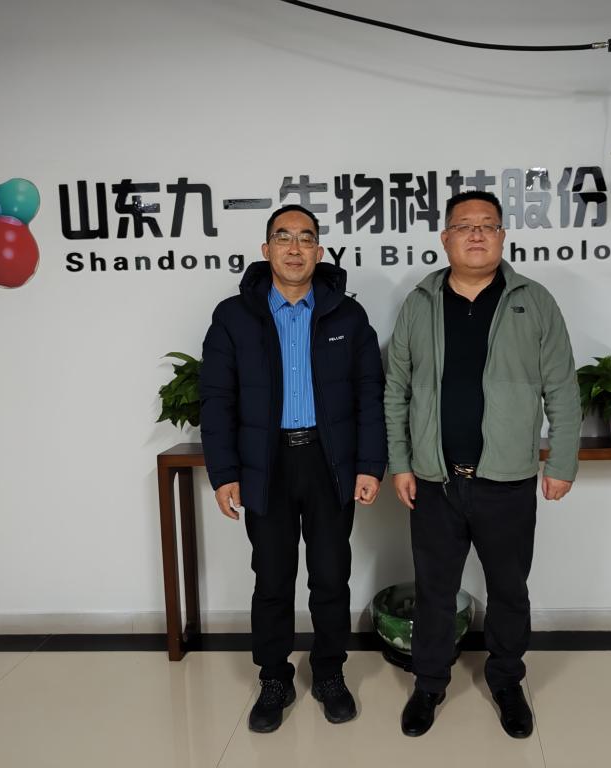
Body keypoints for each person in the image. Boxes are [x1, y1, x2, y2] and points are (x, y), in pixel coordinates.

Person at [384, 190, 581, 738]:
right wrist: (400, 462)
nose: (476, 234)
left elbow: (562, 387)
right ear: (445, 238)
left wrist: (561, 461)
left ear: (502, 236)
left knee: (509, 590)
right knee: (434, 591)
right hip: (435, 480)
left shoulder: (533, 301)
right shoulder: (420, 303)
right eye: (464, 225)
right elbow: (396, 389)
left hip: (507, 481)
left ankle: (507, 681)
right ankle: (428, 684)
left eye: (487, 225)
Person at [199, 204, 387, 733]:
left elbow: (369, 395)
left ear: (320, 251)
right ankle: (274, 677)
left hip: (330, 463)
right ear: (267, 250)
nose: (295, 248)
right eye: (284, 237)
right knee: (272, 578)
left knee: (330, 575)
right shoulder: (234, 317)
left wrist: (370, 464)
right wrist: (225, 472)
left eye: (306, 238)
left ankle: (329, 672)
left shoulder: (347, 316)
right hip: (267, 465)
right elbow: (217, 399)